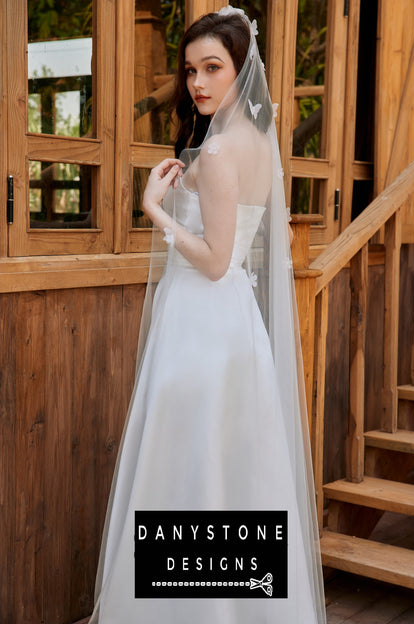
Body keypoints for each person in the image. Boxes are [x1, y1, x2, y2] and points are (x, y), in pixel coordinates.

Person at [89, 6, 326, 623]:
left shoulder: (219, 150)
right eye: (191, 69)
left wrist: (155, 210)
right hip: (232, 325)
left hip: (203, 321)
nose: (197, 82)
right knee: (228, 467)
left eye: (212, 68)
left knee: (190, 462)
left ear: (240, 70)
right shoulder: (259, 145)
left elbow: (217, 260)